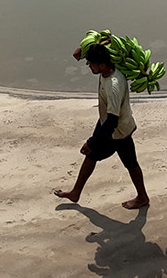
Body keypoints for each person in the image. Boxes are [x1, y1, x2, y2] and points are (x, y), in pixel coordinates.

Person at [54, 43, 150, 209]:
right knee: (92, 156)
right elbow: (103, 38)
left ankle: (142, 197)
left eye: (91, 64)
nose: (89, 66)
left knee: (130, 164)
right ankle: (76, 192)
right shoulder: (105, 72)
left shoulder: (114, 86)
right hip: (109, 125)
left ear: (102, 65)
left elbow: (112, 120)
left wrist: (92, 141)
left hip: (119, 131)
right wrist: (80, 49)